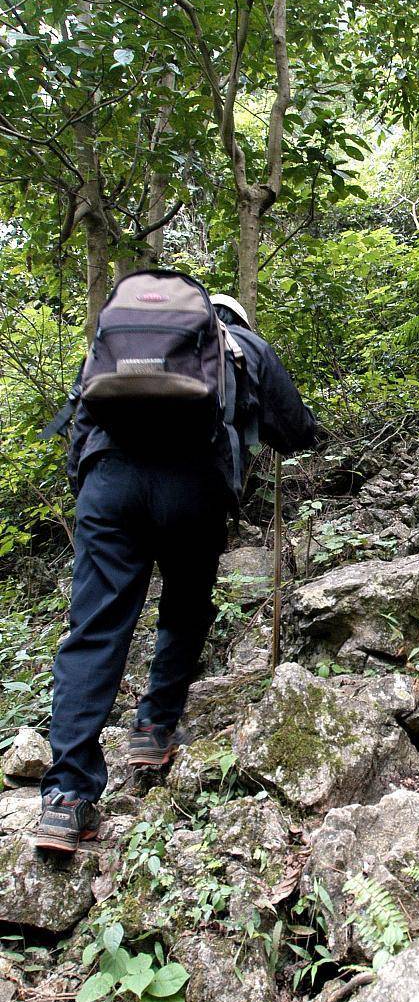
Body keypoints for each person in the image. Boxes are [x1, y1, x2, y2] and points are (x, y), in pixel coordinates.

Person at [35, 277, 316, 853]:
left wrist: (93, 493)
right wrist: (303, 436)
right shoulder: (241, 344)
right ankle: (155, 728)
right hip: (191, 484)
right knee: (186, 608)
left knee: (93, 631)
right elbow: (293, 426)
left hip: (108, 483)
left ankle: (66, 797)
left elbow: (81, 420)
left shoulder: (115, 346)